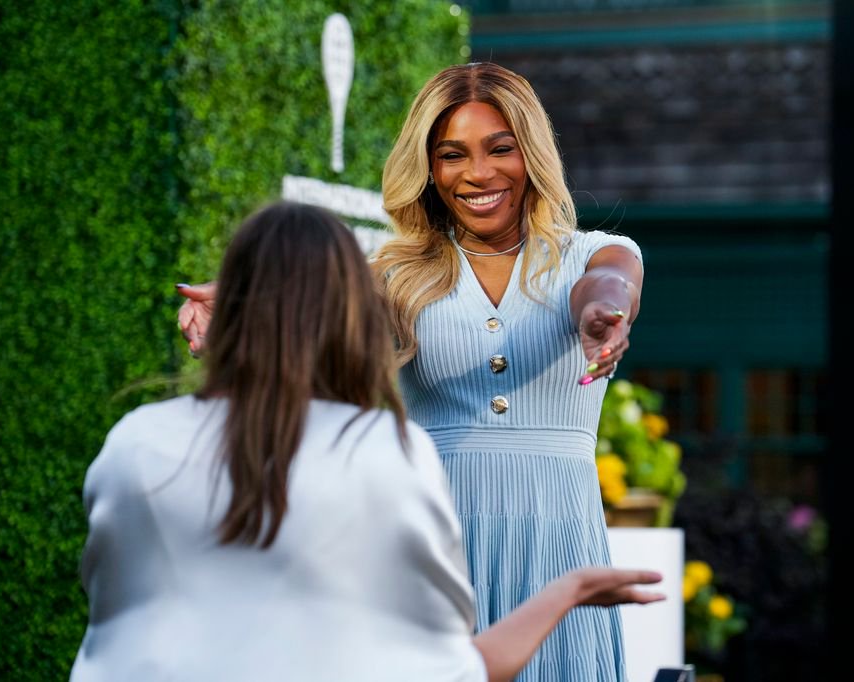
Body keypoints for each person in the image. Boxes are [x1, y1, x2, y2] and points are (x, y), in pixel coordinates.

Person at [178, 63, 646, 681]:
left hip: (557, 537)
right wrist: (241, 306)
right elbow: (310, 314)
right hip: (429, 538)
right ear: (429, 169)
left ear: (530, 153)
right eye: (452, 155)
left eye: (499, 149)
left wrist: (602, 314)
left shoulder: (593, 253)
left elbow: (610, 283)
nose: (478, 173)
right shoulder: (393, 276)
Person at [74, 201, 662, 682]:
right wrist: (568, 590)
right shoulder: (379, 452)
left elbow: (110, 598)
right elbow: (452, 667)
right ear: (350, 323)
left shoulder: (136, 442)